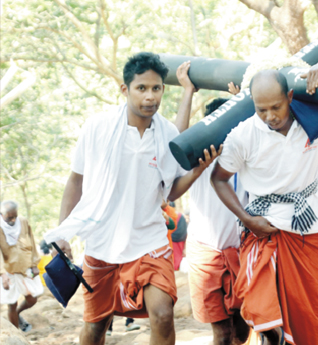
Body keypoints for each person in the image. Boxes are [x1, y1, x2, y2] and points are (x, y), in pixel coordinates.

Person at [44, 52, 218, 345]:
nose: (150, 96)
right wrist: (63, 233)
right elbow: (76, 180)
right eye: (141, 88)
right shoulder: (97, 128)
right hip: (102, 242)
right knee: (97, 326)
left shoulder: (166, 133)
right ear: (125, 90)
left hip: (148, 239)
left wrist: (199, 169)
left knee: (162, 314)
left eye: (156, 88)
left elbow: (171, 190)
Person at [212, 58, 318, 345]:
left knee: (308, 324)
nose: (269, 116)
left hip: (309, 235)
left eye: (276, 107)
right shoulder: (242, 136)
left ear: (290, 97)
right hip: (263, 233)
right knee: (266, 317)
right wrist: (248, 218)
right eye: (260, 109)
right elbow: (219, 178)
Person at [174, 62, 250, 345]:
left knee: (242, 330)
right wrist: (188, 92)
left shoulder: (246, 149)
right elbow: (175, 139)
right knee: (221, 333)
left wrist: (243, 100)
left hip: (242, 251)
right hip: (206, 252)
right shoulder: (197, 158)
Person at [1, 200, 43, 332]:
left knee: (32, 299)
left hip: (26, 268)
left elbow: (31, 240)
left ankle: (18, 314)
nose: (13, 220)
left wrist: (35, 263)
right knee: (11, 303)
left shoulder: (23, 221)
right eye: (9, 217)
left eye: (15, 216)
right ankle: (15, 333)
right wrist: (2, 274)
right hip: (9, 271)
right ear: (1, 214)